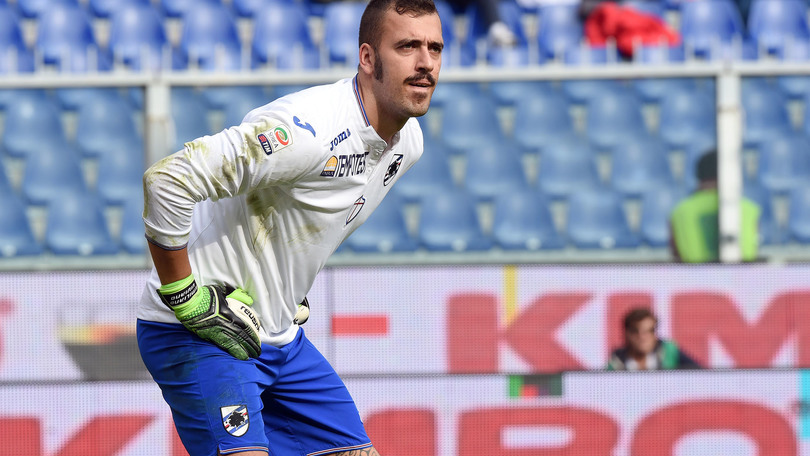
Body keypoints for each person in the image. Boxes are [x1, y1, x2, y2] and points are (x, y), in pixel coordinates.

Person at [136, 0, 443, 454]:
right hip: (200, 333)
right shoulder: (308, 131)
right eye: (407, 46)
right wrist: (185, 297)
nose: (424, 63)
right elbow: (167, 181)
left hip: (277, 335)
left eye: (435, 48)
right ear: (367, 58)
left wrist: (289, 282)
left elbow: (326, 209)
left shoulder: (407, 142)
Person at [669, 149, 761, 263]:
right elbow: (753, 251)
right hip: (741, 278)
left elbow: (676, 258)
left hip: (695, 279)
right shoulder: (749, 209)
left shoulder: (680, 212)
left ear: (698, 175)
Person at [607, 308, 700, 371]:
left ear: (655, 334)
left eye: (649, 331)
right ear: (626, 334)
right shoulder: (616, 363)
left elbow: (699, 373)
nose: (642, 337)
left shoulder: (670, 352)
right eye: (636, 331)